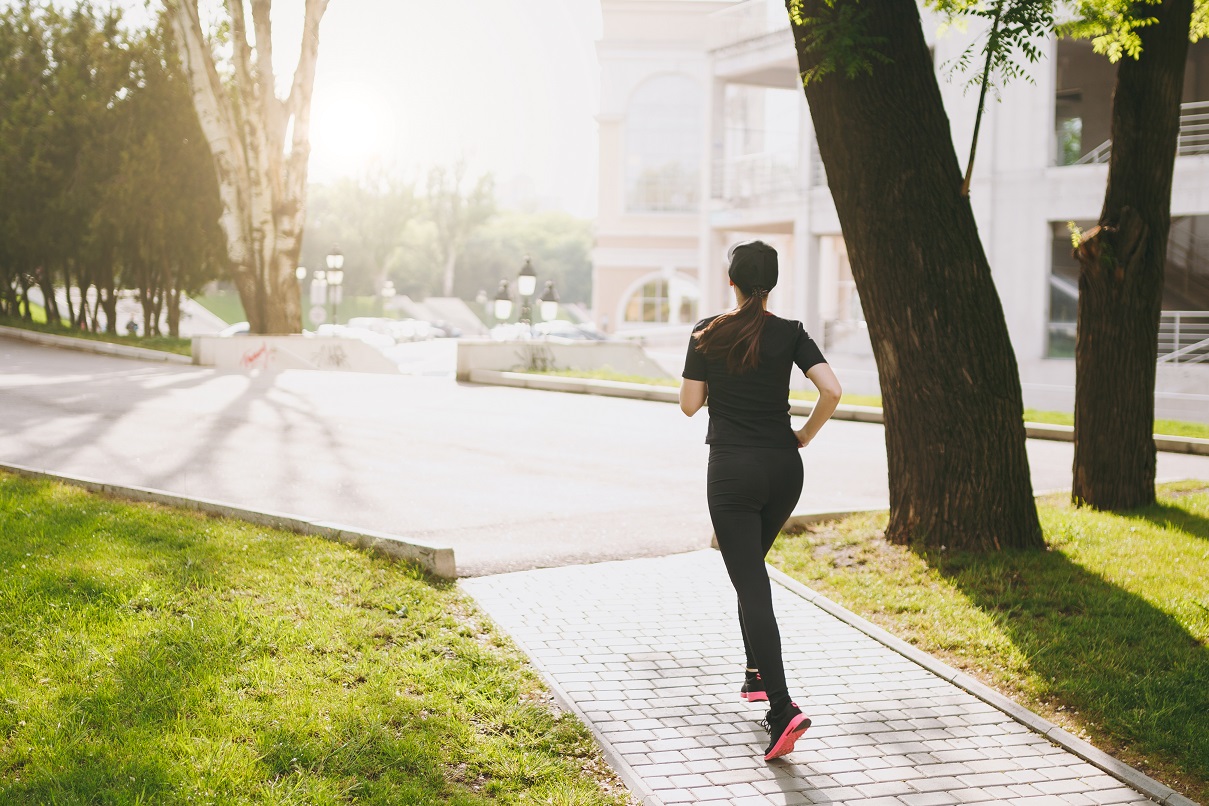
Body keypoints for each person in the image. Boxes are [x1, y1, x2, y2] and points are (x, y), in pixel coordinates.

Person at [679, 239, 842, 761]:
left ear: (732, 280)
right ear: (770, 284)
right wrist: (805, 436)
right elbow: (832, 390)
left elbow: (689, 406)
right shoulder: (791, 333)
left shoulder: (707, 333)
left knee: (751, 582)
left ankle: (782, 707)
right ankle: (754, 672)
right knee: (749, 573)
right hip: (783, 469)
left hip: (732, 472)